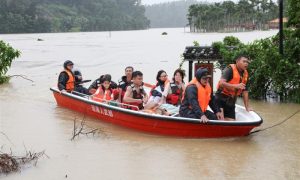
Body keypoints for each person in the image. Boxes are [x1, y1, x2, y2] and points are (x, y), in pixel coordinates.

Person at [216, 55, 252, 120]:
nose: (246, 63)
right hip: (221, 98)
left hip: (231, 100)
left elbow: (245, 91)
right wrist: (235, 86)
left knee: (232, 121)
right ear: (237, 61)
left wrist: (247, 107)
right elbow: (221, 83)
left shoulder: (245, 74)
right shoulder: (229, 70)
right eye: (244, 61)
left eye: (247, 62)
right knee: (221, 120)